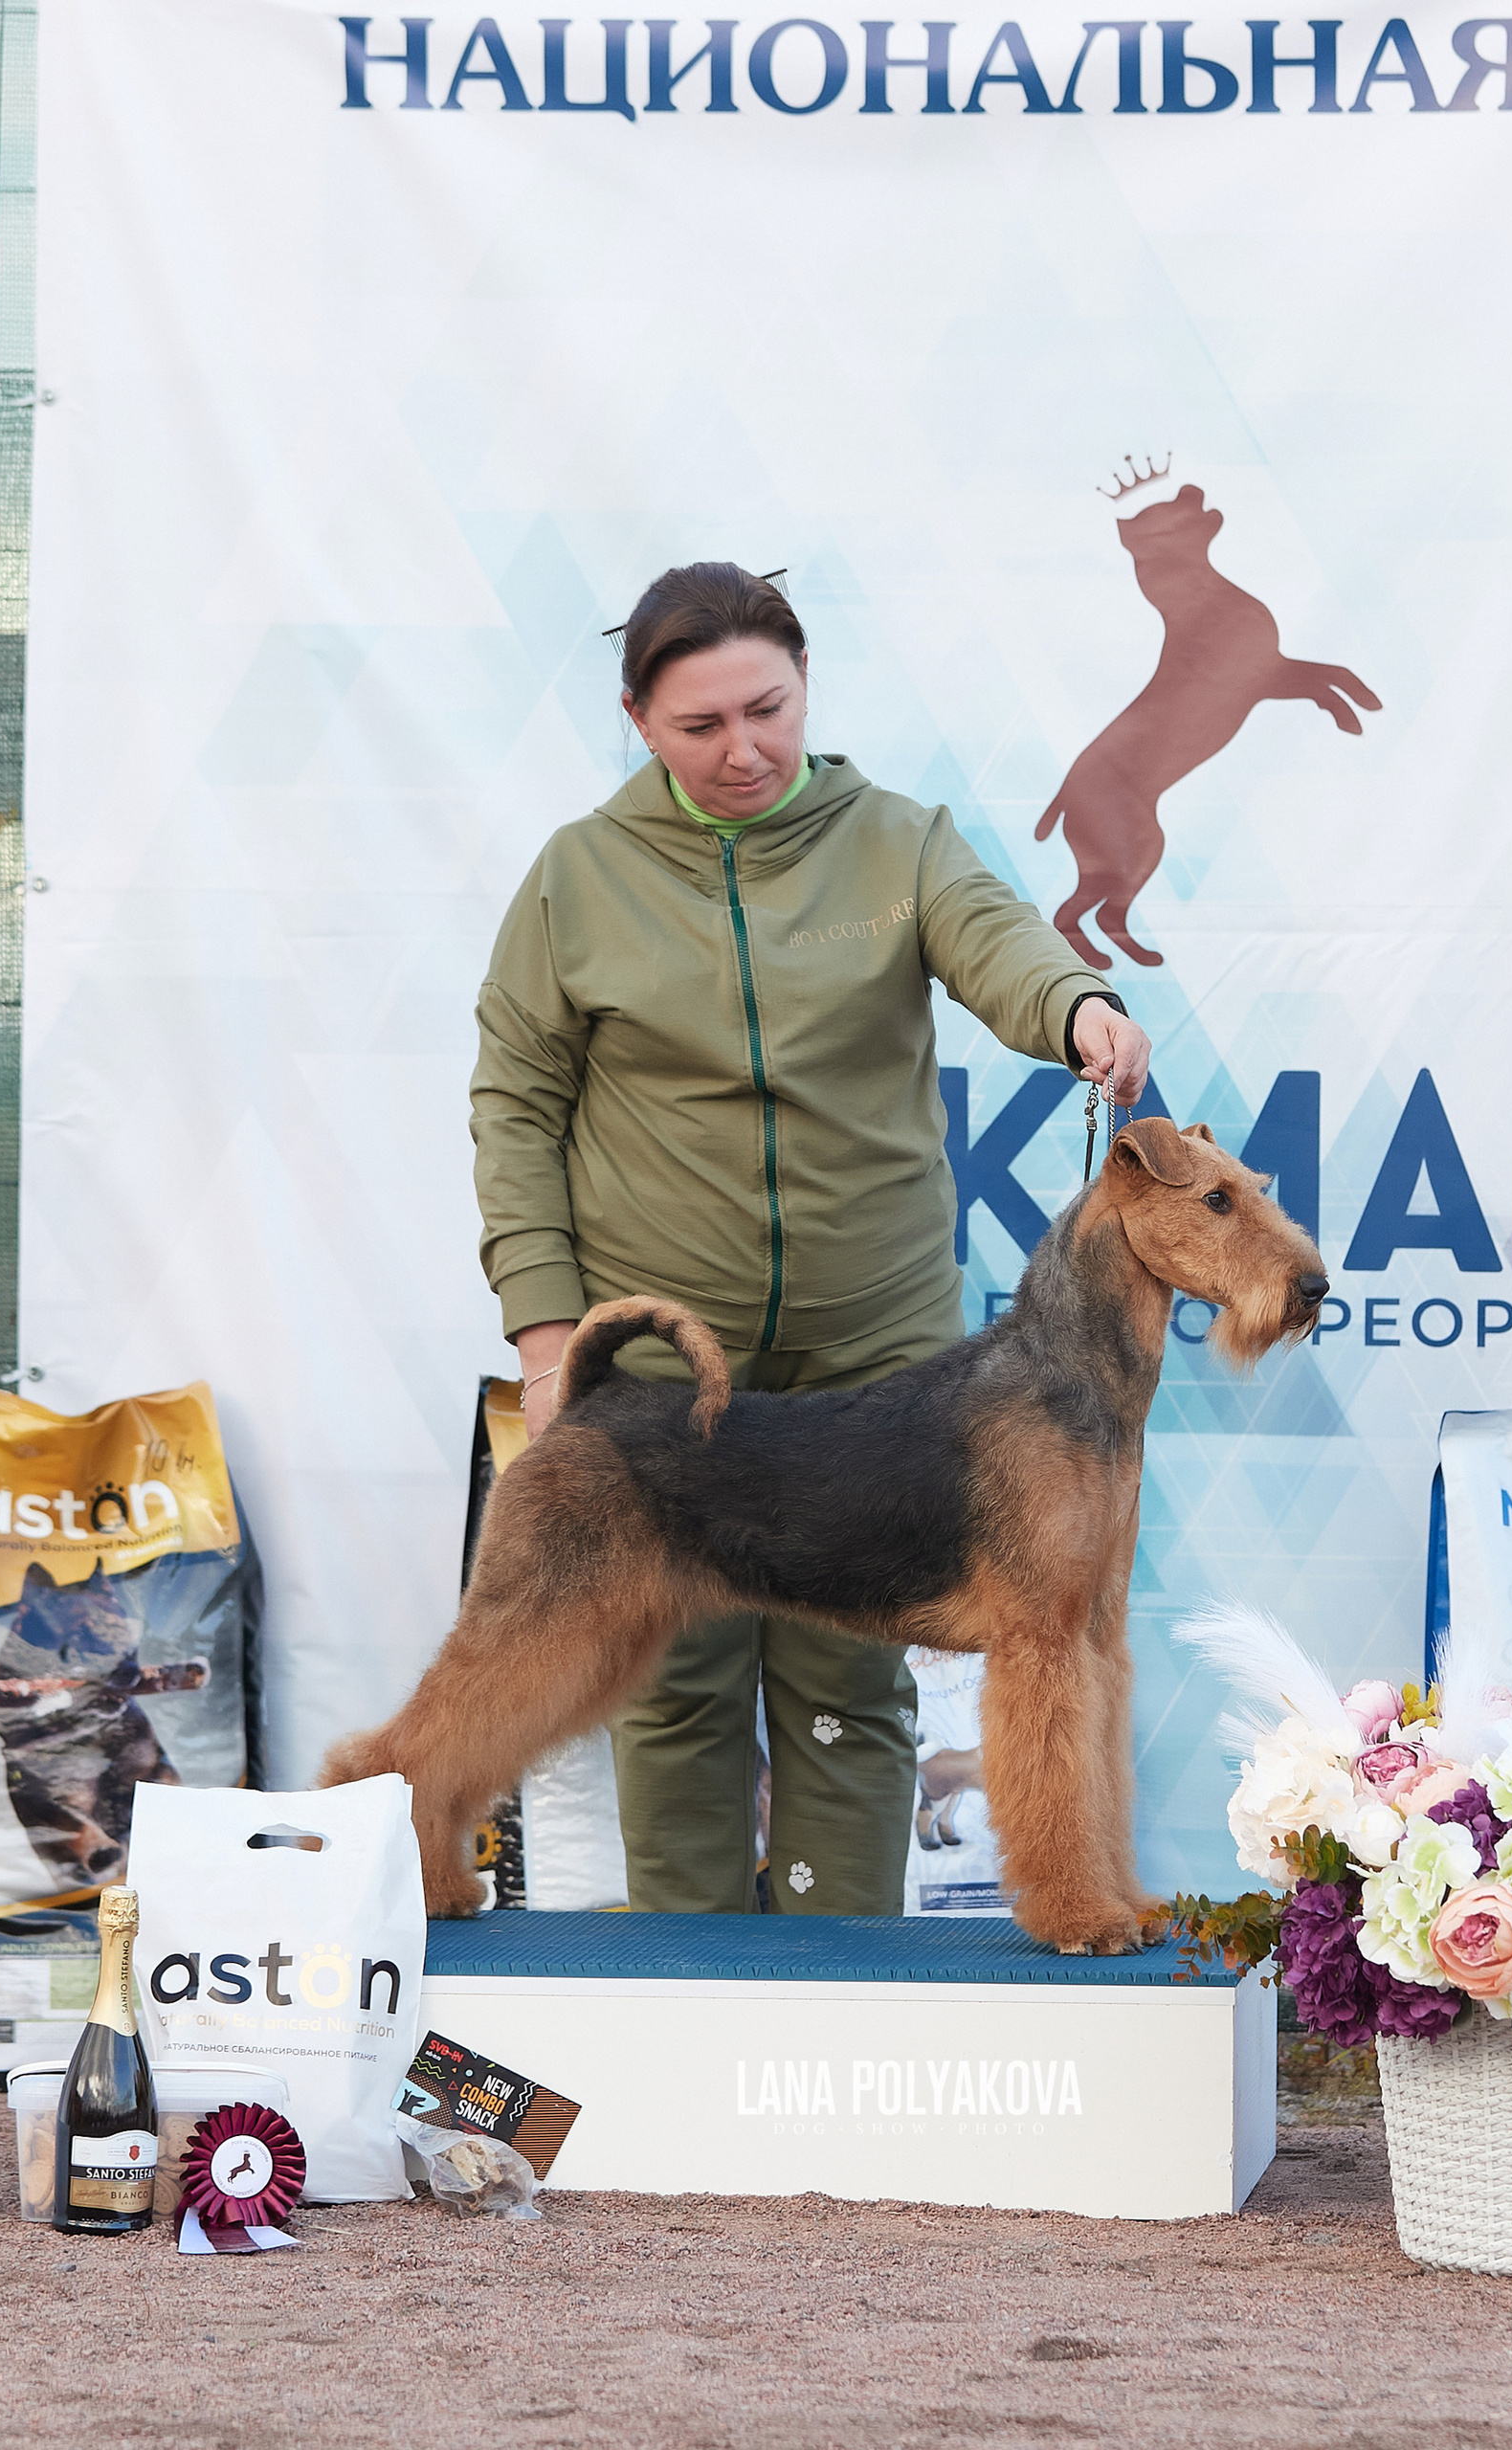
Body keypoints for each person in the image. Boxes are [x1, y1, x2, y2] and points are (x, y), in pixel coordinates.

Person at [470, 562, 1153, 1915]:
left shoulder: (899, 842)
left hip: (879, 1347)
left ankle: (841, 1991)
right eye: (699, 727)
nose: (744, 751)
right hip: (663, 1356)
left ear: (806, 688)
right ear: (634, 719)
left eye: (768, 711)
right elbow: (516, 1103)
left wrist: (1077, 1008)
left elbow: (999, 943)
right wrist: (549, 1336)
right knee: (669, 1688)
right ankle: (690, 1985)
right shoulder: (576, 878)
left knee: (853, 1687)